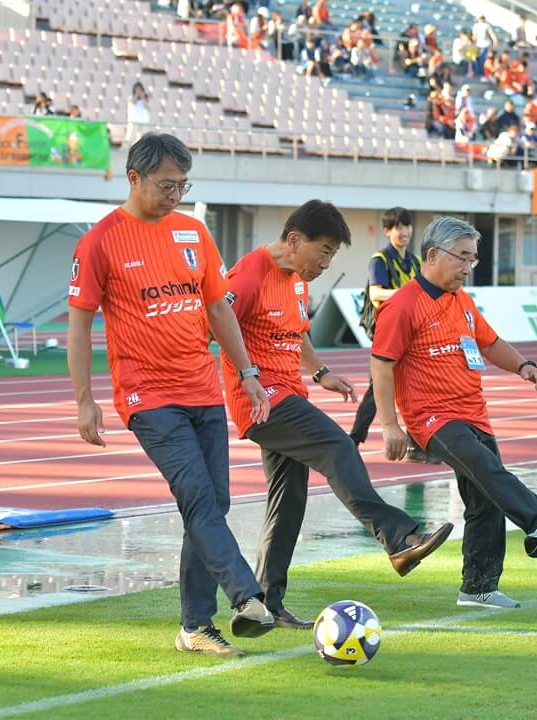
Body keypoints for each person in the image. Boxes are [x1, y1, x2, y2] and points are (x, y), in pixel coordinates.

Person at [67, 132, 275, 658]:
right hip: (148, 396)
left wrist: (247, 372)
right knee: (199, 498)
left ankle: (194, 627)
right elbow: (79, 326)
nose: (176, 195)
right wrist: (84, 399)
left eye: (183, 185)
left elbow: (218, 309)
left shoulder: (194, 232)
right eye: (166, 185)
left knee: (212, 505)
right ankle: (247, 596)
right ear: (133, 178)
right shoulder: (100, 242)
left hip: (203, 389)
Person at [221, 200, 455, 628]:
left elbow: (297, 333)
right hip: (260, 399)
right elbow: (216, 321)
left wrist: (320, 372)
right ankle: (399, 537)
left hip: (288, 392)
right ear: (295, 240)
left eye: (332, 253)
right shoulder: (250, 274)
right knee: (337, 446)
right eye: (324, 251)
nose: (327, 263)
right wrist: (247, 373)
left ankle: (266, 605)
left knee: (288, 501)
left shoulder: (297, 281)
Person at [371, 217, 537, 610]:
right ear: (432, 255)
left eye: (472, 259)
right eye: (462, 257)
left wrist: (523, 365)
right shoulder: (403, 305)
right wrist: (390, 425)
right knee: (486, 468)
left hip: (475, 413)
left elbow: (490, 343)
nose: (467, 267)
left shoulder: (462, 301)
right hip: (433, 418)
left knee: (484, 498)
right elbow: (381, 364)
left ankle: (478, 588)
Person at [351, 208, 434, 462]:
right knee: (378, 388)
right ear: (387, 231)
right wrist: (407, 294)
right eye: (398, 227)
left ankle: (417, 445)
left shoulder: (415, 261)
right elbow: (376, 293)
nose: (404, 231)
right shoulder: (380, 260)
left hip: (411, 332)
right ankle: (353, 441)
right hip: (387, 332)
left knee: (414, 386)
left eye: (407, 226)